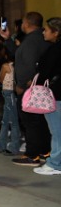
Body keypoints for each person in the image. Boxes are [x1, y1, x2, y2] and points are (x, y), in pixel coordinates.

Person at [0, 12, 52, 166]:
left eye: (23, 22)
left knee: (30, 122)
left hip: (29, 89)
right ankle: (44, 151)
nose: (21, 25)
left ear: (27, 23)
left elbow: (28, 65)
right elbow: (20, 56)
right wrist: (7, 39)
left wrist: (21, 85)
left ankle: (32, 155)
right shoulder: (39, 38)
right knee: (40, 121)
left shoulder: (31, 41)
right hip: (39, 87)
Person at [32, 17, 61, 175]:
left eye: (47, 30)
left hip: (55, 94)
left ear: (56, 32)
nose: (44, 32)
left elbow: (45, 70)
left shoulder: (55, 50)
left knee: (57, 131)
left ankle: (55, 164)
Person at [0, 46, 22, 156]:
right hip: (13, 93)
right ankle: (1, 144)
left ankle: (13, 146)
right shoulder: (18, 65)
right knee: (6, 121)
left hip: (8, 93)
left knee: (12, 122)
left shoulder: (6, 66)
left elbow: (1, 79)